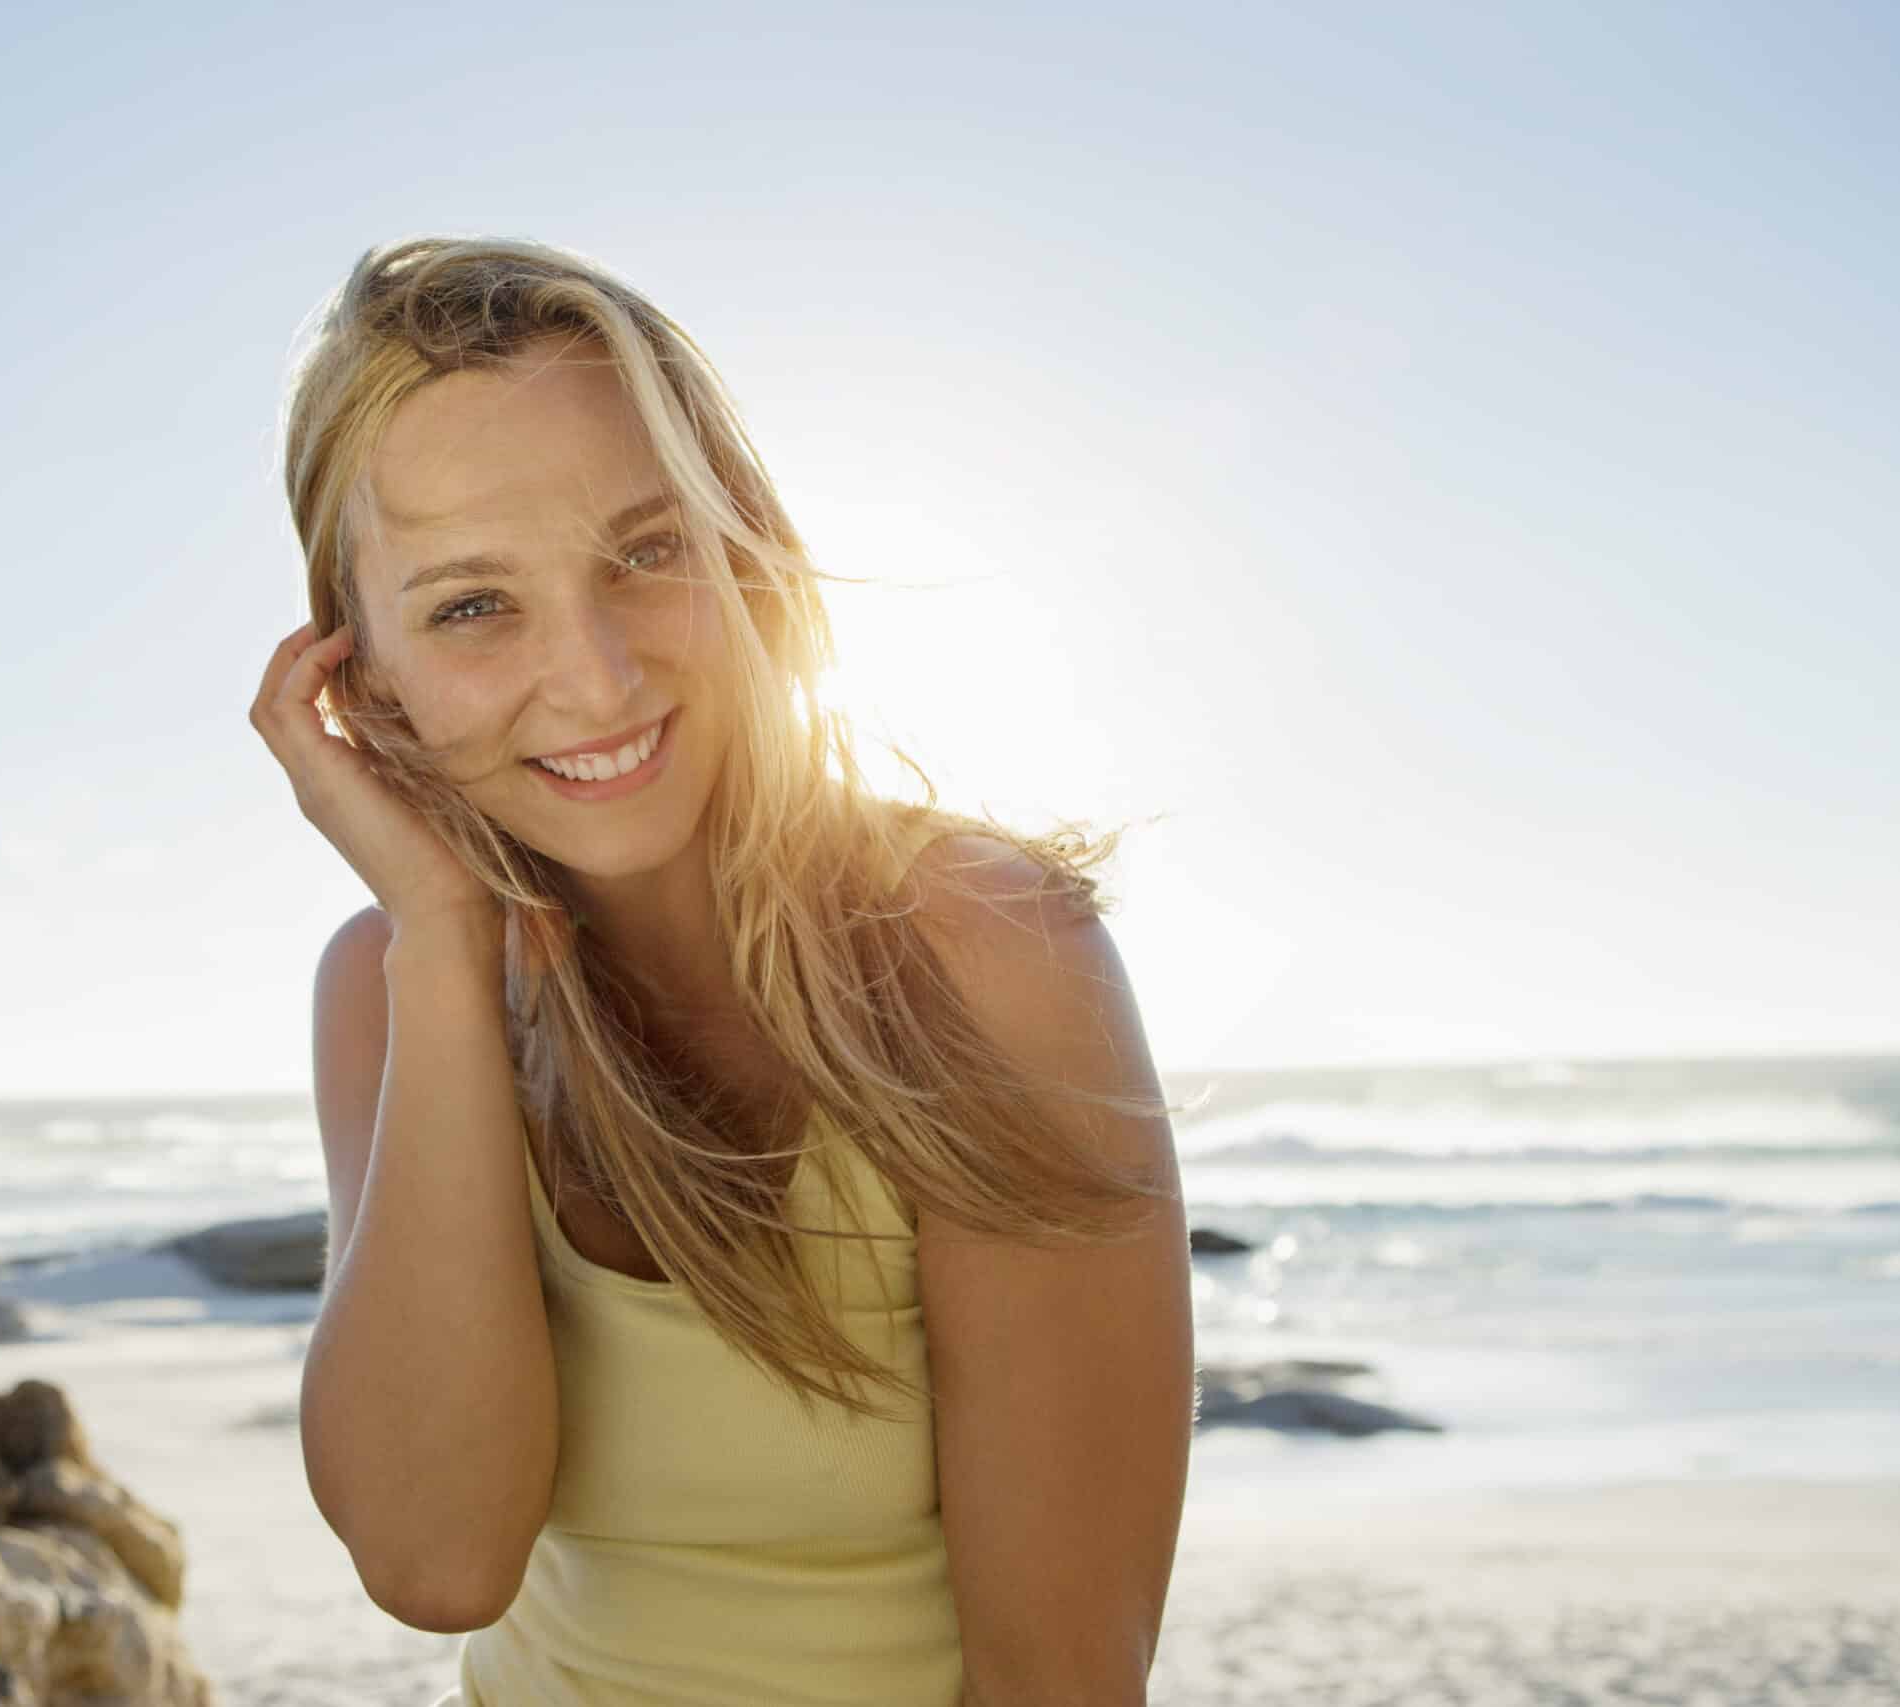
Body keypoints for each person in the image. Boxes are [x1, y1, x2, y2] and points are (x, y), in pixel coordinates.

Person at [251, 235, 1195, 1706]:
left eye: (646, 551)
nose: (600, 679)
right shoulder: (384, 981)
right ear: (364, 682)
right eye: (473, 606)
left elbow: (1063, 1678)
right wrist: (441, 942)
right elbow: (436, 1561)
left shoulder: (987, 957)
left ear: (744, 549)